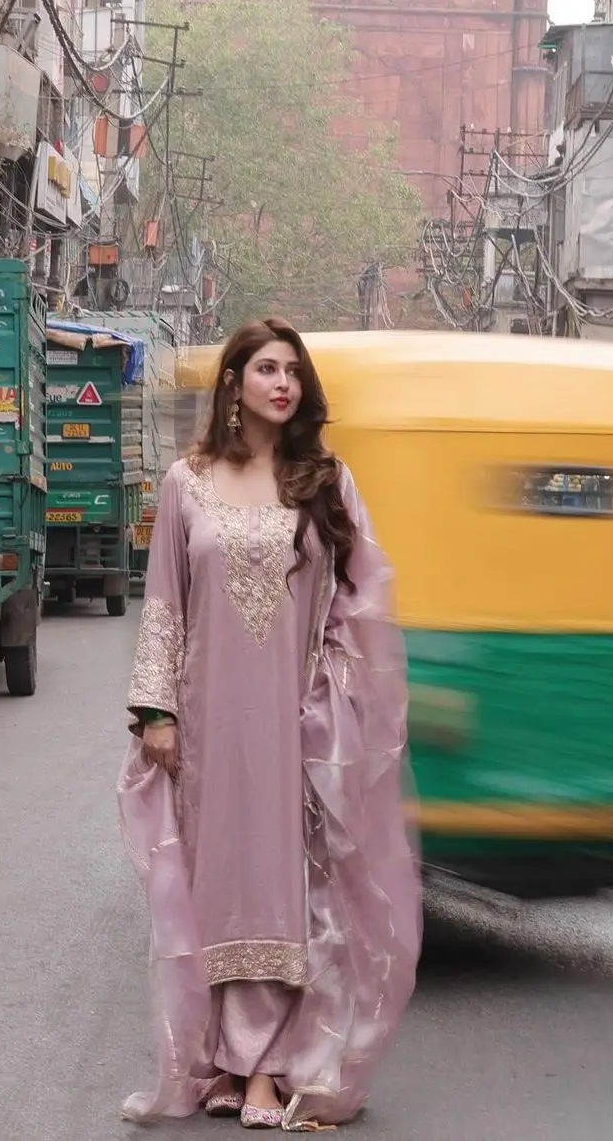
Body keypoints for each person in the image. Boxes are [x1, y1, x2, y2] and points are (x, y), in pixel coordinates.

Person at [118, 318, 421, 1131]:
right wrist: (157, 713)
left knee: (291, 889)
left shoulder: (322, 481)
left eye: (293, 371)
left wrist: (338, 697)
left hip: (295, 719)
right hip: (208, 721)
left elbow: (363, 597)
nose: (282, 383)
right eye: (265, 368)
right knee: (213, 889)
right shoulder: (186, 481)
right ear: (233, 383)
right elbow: (163, 604)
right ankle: (220, 1063)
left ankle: (270, 1070)